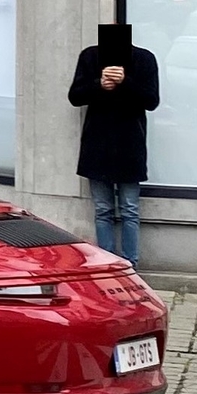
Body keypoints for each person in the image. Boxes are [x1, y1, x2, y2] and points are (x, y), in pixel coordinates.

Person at [68, 21, 160, 264]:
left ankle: (131, 265)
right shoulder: (90, 57)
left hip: (130, 145)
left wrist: (125, 81)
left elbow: (151, 100)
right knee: (102, 209)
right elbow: (75, 96)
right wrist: (99, 85)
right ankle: (107, 263)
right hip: (97, 144)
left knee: (130, 209)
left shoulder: (144, 59)